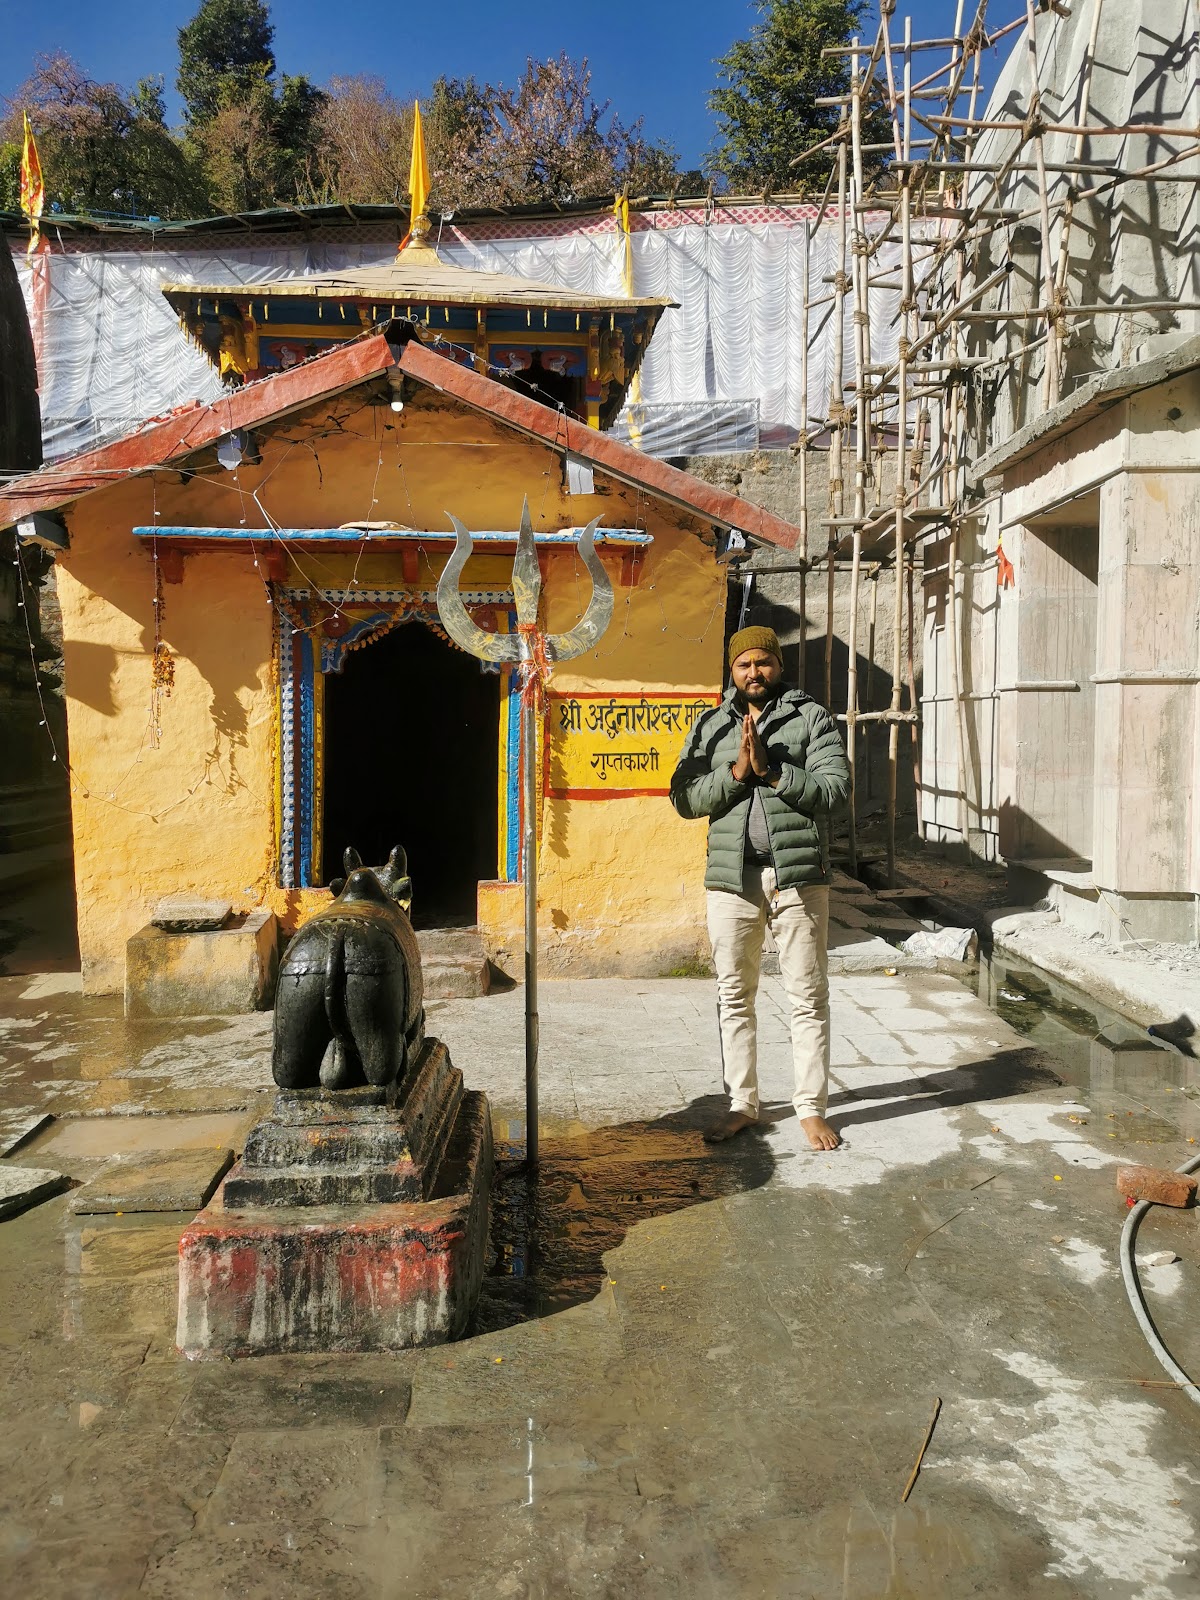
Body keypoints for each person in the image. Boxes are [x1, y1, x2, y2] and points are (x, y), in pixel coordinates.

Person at [670, 626, 851, 1148]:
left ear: (779, 666)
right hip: (732, 879)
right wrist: (736, 770)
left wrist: (773, 774)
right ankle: (742, 1104)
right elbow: (684, 797)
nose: (755, 672)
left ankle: (811, 1108)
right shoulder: (709, 726)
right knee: (733, 995)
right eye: (744, 663)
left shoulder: (811, 718)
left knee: (808, 995)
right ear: (732, 670)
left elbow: (836, 790)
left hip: (797, 879)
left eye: (764, 663)